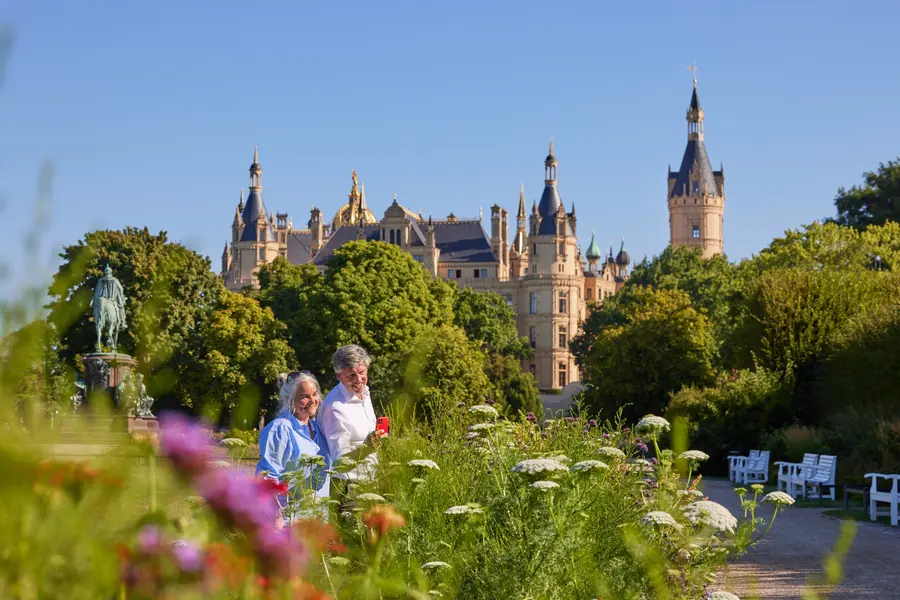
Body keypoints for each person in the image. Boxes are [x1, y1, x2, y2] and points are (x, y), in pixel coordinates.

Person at [257, 371, 332, 522]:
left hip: (318, 519)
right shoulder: (280, 429)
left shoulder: (318, 427)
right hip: (290, 520)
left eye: (315, 394)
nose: (313, 400)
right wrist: (275, 515)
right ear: (289, 400)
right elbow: (267, 476)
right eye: (305, 397)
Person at [318, 345, 384, 484]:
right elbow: (339, 464)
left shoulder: (365, 392)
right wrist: (366, 449)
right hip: (348, 486)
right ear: (339, 376)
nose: (359, 379)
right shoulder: (335, 408)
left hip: (372, 481)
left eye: (362, 372)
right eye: (352, 375)